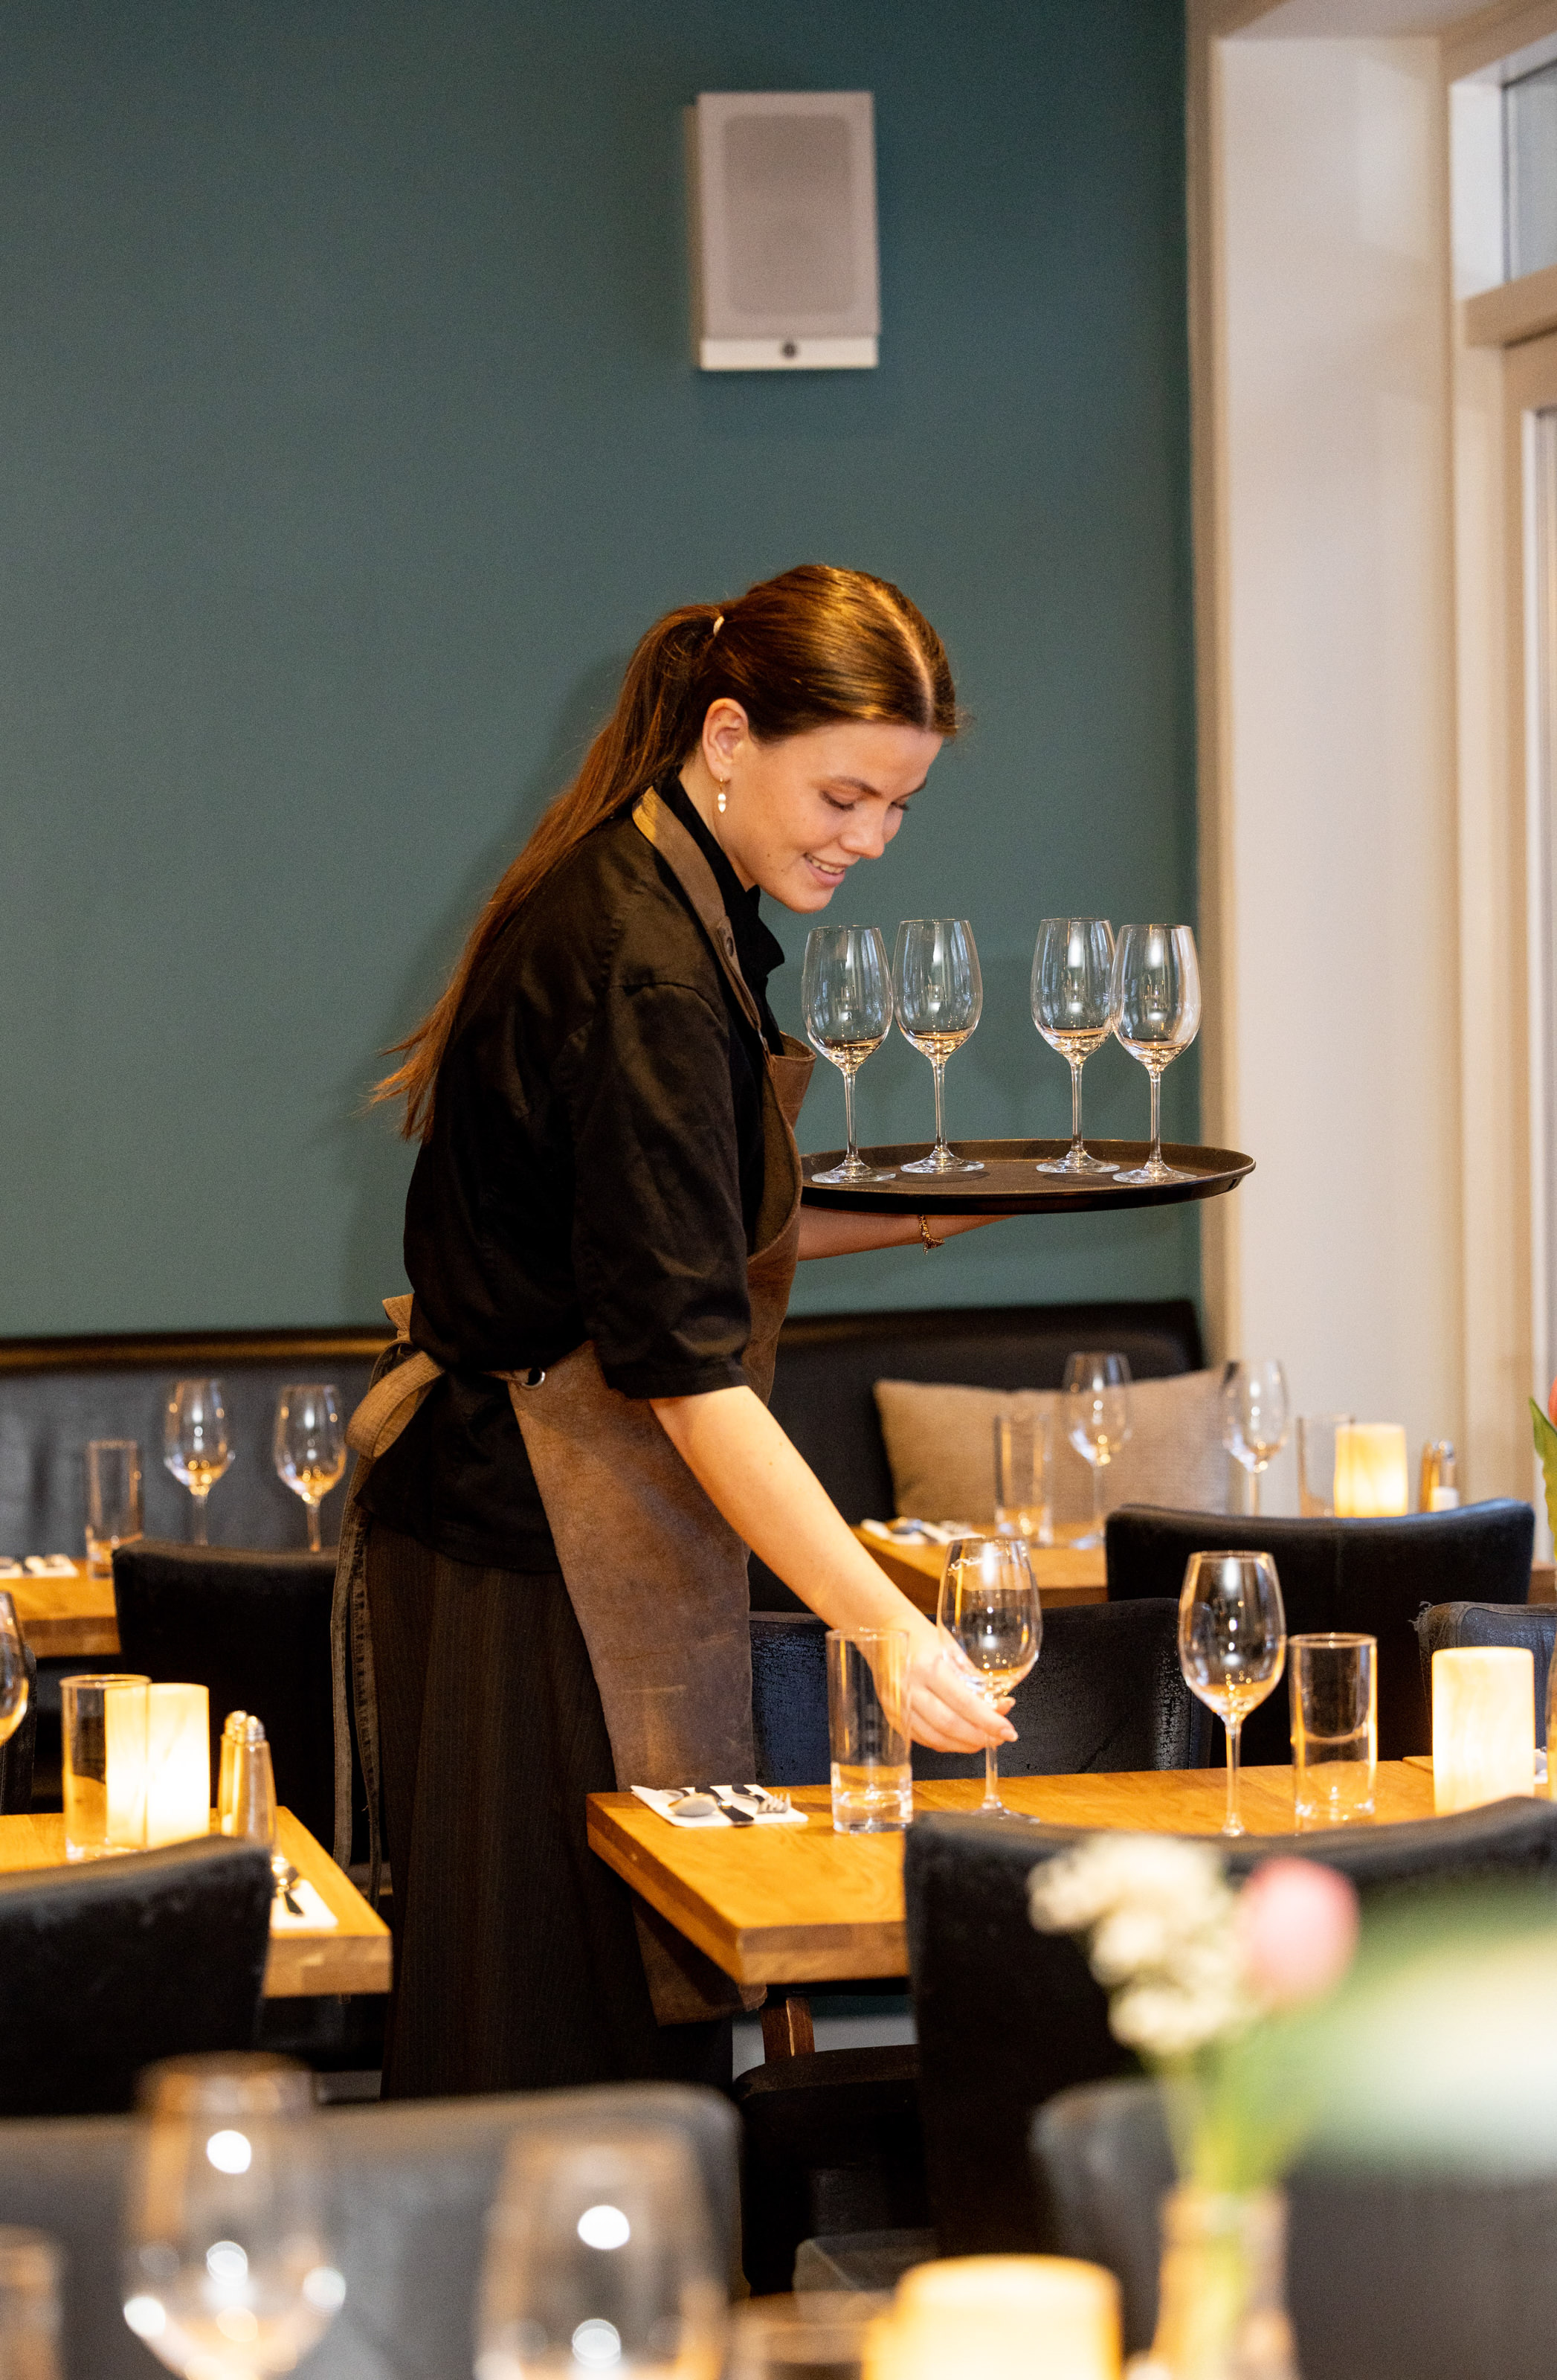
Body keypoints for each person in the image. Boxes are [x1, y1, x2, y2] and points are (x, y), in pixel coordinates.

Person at [334, 562, 1014, 2099]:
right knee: (554, 2049)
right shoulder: (642, 957)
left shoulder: (666, 897)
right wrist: (886, 1625)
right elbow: (683, 1365)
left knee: (586, 2028)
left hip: (553, 1519)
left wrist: (926, 1215)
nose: (870, 838)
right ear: (726, 736)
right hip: (531, 1549)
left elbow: (664, 1235)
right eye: (844, 795)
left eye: (898, 806)